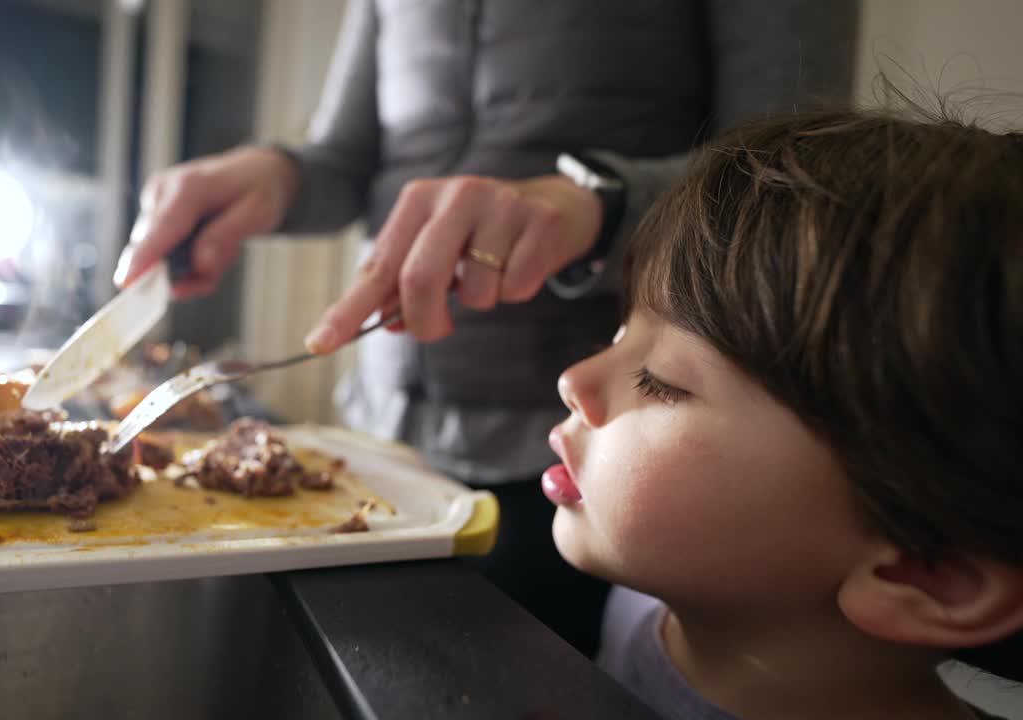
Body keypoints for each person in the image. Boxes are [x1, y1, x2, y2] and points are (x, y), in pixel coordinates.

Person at [115, 1, 858, 656]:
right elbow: (347, 155)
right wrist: (275, 173)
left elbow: (792, 176)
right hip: (380, 440)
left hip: (581, 472)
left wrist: (591, 204)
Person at [545, 106, 1023, 719]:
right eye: (619, 332)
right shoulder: (660, 598)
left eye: (660, 380)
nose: (573, 381)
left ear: (926, 574)